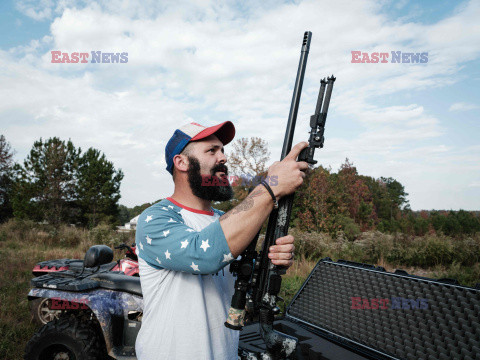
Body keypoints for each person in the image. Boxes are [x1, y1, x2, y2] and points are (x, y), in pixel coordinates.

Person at [134, 121, 308, 359]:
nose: (223, 158)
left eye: (223, 150)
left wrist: (275, 261)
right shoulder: (156, 218)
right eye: (211, 150)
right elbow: (203, 254)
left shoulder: (224, 220)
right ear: (181, 162)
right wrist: (272, 186)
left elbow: (244, 277)